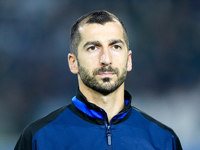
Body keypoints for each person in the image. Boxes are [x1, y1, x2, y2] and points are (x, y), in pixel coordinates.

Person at [14, 10, 182, 150]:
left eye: (115, 47)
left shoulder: (164, 140)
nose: (106, 59)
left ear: (129, 60)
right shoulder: (38, 139)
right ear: (73, 63)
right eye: (93, 48)